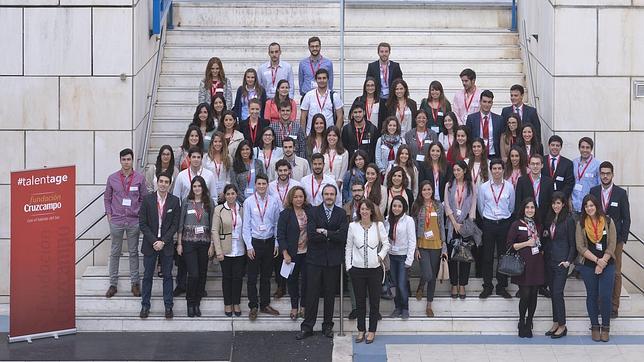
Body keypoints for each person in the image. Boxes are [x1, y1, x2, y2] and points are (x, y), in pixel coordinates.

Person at [297, 184, 349, 340]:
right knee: (311, 294)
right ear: (322, 195)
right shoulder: (313, 211)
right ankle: (307, 327)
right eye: (326, 194)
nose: (329, 196)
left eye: (332, 194)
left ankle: (327, 326)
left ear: (336, 196)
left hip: (333, 261)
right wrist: (333, 235)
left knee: (329, 295)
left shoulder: (341, 213)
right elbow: (312, 235)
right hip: (315, 260)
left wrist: (325, 232)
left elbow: (343, 236)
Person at [104, 148, 148, 298]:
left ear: (132, 160)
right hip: (116, 220)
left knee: (133, 252)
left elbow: (144, 199)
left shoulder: (140, 179)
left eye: (129, 159)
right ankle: (113, 284)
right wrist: (109, 214)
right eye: (124, 159)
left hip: (133, 221)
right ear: (120, 160)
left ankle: (135, 284)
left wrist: (140, 215)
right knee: (115, 252)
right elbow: (107, 198)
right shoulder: (112, 178)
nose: (126, 162)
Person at [590, 161, 630, 318]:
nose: (605, 176)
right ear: (599, 175)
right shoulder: (593, 191)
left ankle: (614, 306)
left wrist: (622, 239)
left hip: (616, 241)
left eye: (608, 173)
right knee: (598, 271)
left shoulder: (620, 193)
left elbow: (626, 218)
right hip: (597, 239)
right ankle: (600, 304)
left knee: (616, 273)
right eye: (602, 173)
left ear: (612, 175)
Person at [346, 199, 389, 344]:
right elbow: (348, 248)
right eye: (362, 209)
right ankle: (361, 330)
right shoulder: (353, 226)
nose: (364, 211)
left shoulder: (379, 225)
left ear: (371, 211)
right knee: (360, 302)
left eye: (367, 209)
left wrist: (380, 256)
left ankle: (372, 331)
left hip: (374, 270)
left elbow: (386, 244)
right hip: (357, 270)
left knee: (374, 301)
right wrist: (349, 266)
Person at [138, 171, 180, 319]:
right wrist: (154, 241)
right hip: (150, 244)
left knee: (168, 276)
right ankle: (145, 305)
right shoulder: (147, 200)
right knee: (148, 276)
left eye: (166, 182)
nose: (163, 184)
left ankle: (168, 306)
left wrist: (163, 241)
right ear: (157, 182)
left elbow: (175, 225)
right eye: (161, 181)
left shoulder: (174, 201)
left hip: (166, 245)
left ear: (170, 184)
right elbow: (142, 223)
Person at [576, 194, 616, 342]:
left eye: (592, 205)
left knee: (605, 296)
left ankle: (605, 327)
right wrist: (597, 261)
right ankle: (594, 326)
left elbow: (612, 243)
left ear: (597, 206)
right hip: (588, 265)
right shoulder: (581, 224)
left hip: (608, 264)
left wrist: (603, 262)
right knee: (592, 296)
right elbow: (580, 246)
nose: (589, 208)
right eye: (586, 206)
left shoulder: (608, 221)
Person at [243, 174, 282, 320]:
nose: (261, 186)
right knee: (252, 277)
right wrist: (248, 246)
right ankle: (253, 306)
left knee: (266, 276)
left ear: (267, 185)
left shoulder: (273, 201)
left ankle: (264, 304)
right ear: (255, 185)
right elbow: (246, 225)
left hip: (269, 242)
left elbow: (277, 224)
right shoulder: (249, 202)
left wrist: (277, 242)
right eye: (258, 184)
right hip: (254, 243)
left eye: (263, 184)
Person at [477, 158, 515, 299]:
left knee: (503, 256)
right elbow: (481, 207)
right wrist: (488, 218)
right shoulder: (484, 187)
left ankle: (501, 286)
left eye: (499, 168)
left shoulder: (510, 187)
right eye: (494, 168)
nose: (497, 171)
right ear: (491, 170)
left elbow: (511, 206)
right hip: (489, 224)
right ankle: (487, 286)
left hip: (504, 224)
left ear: (503, 170)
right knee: (487, 257)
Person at [507, 198, 545, 338]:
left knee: (534, 294)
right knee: (525, 295)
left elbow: (541, 243)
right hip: (523, 264)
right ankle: (521, 320)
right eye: (527, 207)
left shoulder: (538, 225)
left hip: (537, 263)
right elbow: (511, 245)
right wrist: (527, 243)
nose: (530, 210)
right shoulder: (516, 224)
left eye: (532, 207)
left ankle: (530, 322)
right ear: (523, 209)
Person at [177, 176, 212, 317]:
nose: (197, 188)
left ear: (203, 188)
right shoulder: (186, 202)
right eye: (195, 186)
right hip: (188, 242)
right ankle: (190, 302)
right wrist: (179, 243)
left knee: (202, 274)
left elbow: (213, 225)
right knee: (194, 274)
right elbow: (180, 224)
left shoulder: (209, 203)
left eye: (199, 186)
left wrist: (213, 245)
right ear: (192, 188)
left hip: (204, 243)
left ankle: (197, 303)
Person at [411, 181, 447, 317]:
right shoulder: (417, 206)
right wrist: (415, 248)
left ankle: (429, 305)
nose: (427, 192)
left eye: (429, 189)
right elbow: (413, 228)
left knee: (432, 278)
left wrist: (444, 247)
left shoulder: (438, 205)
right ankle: (421, 285)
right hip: (422, 244)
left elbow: (442, 225)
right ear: (421, 191)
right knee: (428, 274)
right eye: (424, 189)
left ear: (432, 190)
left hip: (437, 244)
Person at [543, 192, 576, 339]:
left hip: (562, 262)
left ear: (563, 204)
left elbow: (573, 244)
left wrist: (569, 261)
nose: (556, 206)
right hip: (549, 260)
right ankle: (556, 323)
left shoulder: (569, 220)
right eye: (554, 203)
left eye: (558, 203)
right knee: (553, 293)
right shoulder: (550, 218)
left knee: (557, 293)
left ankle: (563, 325)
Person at [444, 161, 477, 299]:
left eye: (458, 170)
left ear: (464, 170)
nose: (456, 172)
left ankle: (462, 284)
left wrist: (465, 223)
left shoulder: (471, 186)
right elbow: (446, 205)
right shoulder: (449, 185)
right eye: (454, 170)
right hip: (452, 225)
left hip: (466, 225)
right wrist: (455, 223)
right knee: (452, 256)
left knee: (465, 256)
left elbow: (473, 204)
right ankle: (453, 283)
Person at [278, 186, 311, 321]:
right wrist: (285, 253)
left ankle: (303, 306)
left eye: (301, 196)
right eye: (296, 197)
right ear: (291, 198)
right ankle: (294, 307)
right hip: (292, 254)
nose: (298, 199)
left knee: (306, 280)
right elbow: (280, 235)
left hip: (307, 252)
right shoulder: (285, 214)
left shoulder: (309, 211)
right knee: (292, 280)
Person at [212, 184, 246, 317]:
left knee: (238, 278)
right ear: (224, 196)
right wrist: (218, 250)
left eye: (233, 193)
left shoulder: (242, 209)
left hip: (240, 249)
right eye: (228, 194)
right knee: (227, 278)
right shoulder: (219, 209)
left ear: (236, 194)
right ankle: (227, 303)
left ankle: (236, 303)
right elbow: (214, 230)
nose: (231, 196)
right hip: (225, 249)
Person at [385, 196, 416, 319]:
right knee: (394, 284)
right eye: (394, 206)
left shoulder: (408, 220)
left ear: (404, 207)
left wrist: (409, 260)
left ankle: (405, 308)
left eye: (399, 206)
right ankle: (397, 307)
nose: (396, 208)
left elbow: (412, 241)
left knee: (402, 284)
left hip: (403, 257)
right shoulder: (387, 220)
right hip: (391, 257)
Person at [300, 68, 344, 133]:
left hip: (328, 135)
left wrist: (335, 133)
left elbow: (340, 116)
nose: (322, 80)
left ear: (328, 79)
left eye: (324, 78)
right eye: (319, 78)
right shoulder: (308, 95)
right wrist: (303, 135)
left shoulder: (334, 96)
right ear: (316, 80)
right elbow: (303, 117)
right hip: (311, 134)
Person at [515, 154, 553, 224]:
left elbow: (551, 203)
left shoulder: (549, 182)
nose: (535, 166)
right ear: (529, 165)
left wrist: (548, 223)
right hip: (526, 219)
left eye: (537, 164)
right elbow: (518, 203)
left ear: (542, 165)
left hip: (543, 219)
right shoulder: (521, 181)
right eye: (533, 164)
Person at [465, 90, 503, 158]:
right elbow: (468, 139)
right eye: (484, 101)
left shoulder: (499, 119)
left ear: (492, 103)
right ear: (480, 102)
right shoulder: (471, 118)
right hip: (477, 155)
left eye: (489, 102)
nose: (486, 104)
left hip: (494, 155)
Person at [572, 137, 601, 214]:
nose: (585, 150)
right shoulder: (574, 162)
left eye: (587, 147)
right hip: (574, 206)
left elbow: (600, 186)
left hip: (588, 208)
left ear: (591, 149)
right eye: (582, 147)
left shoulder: (597, 164)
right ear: (579, 148)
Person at [202, 131, 232, 203]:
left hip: (224, 194)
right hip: (209, 192)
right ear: (212, 143)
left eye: (220, 141)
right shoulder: (206, 157)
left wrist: (225, 191)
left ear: (223, 143)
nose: (217, 144)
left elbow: (229, 176)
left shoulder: (228, 157)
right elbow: (203, 176)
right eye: (215, 141)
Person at [543, 135, 575, 199]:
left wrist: (560, 198)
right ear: (549, 146)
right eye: (553, 145)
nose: (555, 147)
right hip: (544, 198)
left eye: (557, 145)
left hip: (561, 201)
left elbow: (569, 184)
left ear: (561, 147)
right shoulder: (541, 160)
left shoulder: (568, 163)